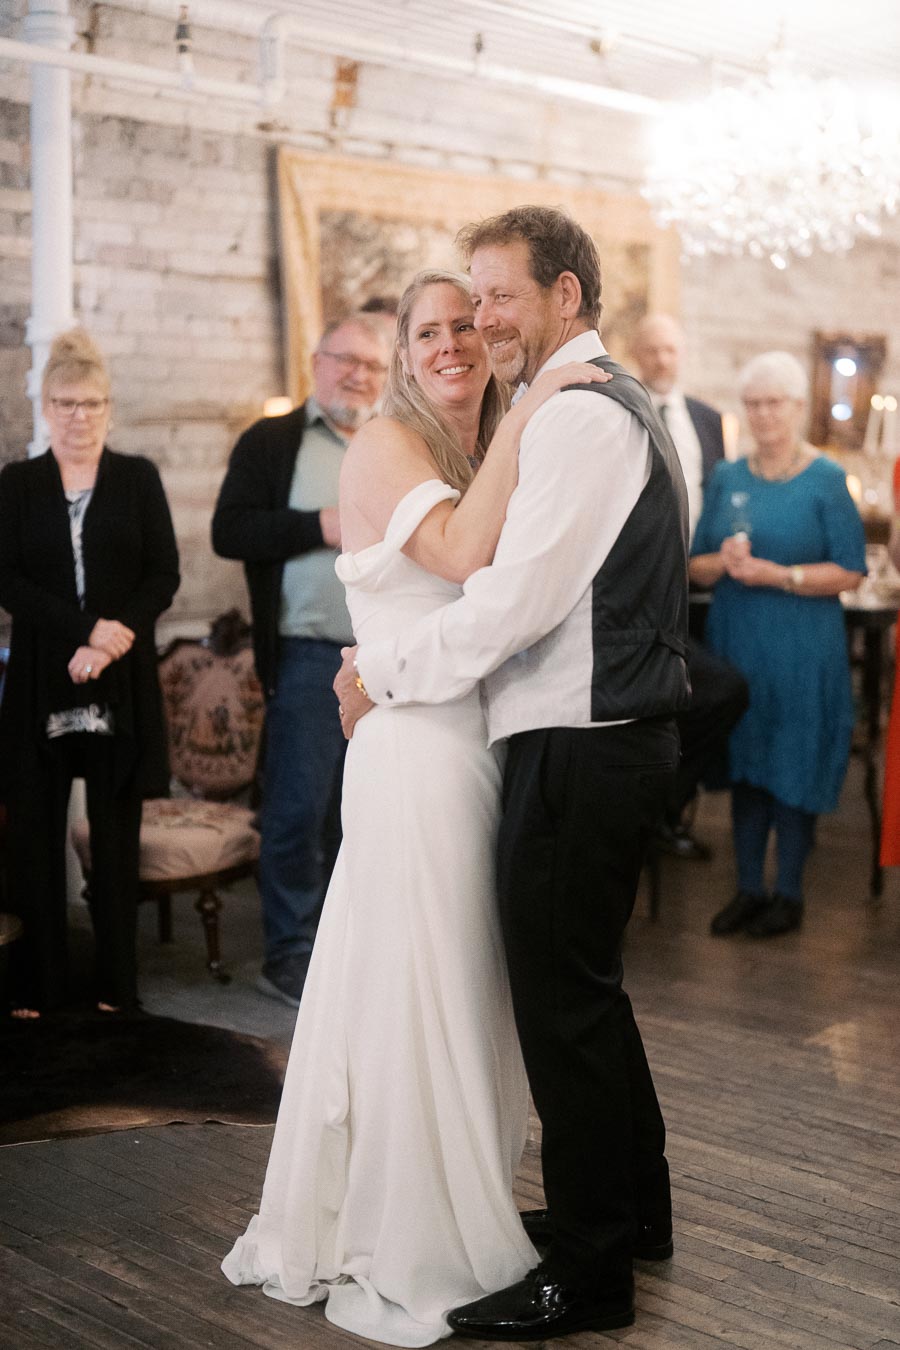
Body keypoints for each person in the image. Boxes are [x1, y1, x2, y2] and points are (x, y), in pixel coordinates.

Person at [221, 269, 609, 1344]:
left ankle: (465, 1194)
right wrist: (535, 402)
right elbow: (458, 555)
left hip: (483, 746)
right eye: (429, 331)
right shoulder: (384, 445)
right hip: (413, 755)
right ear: (402, 354)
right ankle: (410, 1232)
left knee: (471, 984)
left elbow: (525, 600)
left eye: (467, 326)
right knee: (415, 988)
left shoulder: (485, 454)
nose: (451, 344)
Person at [335, 206, 691, 1340]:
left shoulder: (579, 416)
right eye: (469, 299)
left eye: (498, 295)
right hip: (598, 736)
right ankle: (630, 1214)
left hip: (582, 739)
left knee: (562, 1007)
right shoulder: (597, 403)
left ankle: (587, 1272)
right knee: (588, 991)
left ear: (564, 295)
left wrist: (382, 671)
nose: (482, 320)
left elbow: (509, 607)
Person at [0, 327, 179, 1019]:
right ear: (46, 409)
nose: (80, 417)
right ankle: (39, 987)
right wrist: (84, 633)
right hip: (42, 676)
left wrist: (108, 644)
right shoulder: (17, 485)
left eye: (93, 403)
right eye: (67, 404)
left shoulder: (138, 478)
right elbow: (7, 579)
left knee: (114, 839)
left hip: (119, 678)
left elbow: (163, 574)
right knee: (36, 838)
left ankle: (116, 988)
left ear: (109, 407)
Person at [211, 313, 390, 1008]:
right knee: (299, 810)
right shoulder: (272, 440)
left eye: (373, 366)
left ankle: (349, 947)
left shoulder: (397, 439)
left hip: (389, 657)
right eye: (346, 360)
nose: (358, 376)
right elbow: (230, 530)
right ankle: (289, 953)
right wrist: (320, 525)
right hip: (309, 654)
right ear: (317, 362)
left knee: (365, 812)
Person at [690, 351, 865, 938]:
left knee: (793, 762)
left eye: (774, 403)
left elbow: (851, 571)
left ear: (797, 407)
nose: (763, 414)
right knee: (746, 762)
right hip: (739, 643)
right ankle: (748, 889)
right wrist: (723, 561)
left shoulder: (826, 480)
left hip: (803, 647)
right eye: (754, 404)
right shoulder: (727, 477)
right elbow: (694, 565)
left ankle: (788, 894)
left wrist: (780, 575)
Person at [631, 313, 749, 861]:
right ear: (637, 353)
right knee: (671, 698)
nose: (662, 360)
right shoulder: (623, 408)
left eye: (670, 350)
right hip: (642, 587)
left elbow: (719, 496)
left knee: (708, 697)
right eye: (652, 350)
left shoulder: (708, 419)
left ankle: (668, 813)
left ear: (682, 355)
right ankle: (648, 813)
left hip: (701, 586)